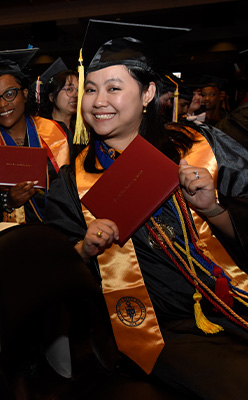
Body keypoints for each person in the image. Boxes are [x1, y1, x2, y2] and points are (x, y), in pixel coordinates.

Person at [44, 23, 248, 399]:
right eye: (91, 88)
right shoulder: (74, 183)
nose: (97, 100)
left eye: (114, 88)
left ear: (148, 93)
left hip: (235, 299)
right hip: (157, 330)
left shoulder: (199, 146)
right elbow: (53, 272)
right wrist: (84, 251)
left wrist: (215, 209)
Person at [0, 49, 69, 224]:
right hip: (14, 241)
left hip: (63, 236)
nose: (2, 104)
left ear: (25, 94)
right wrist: (8, 202)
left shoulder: (57, 131)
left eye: (10, 94)